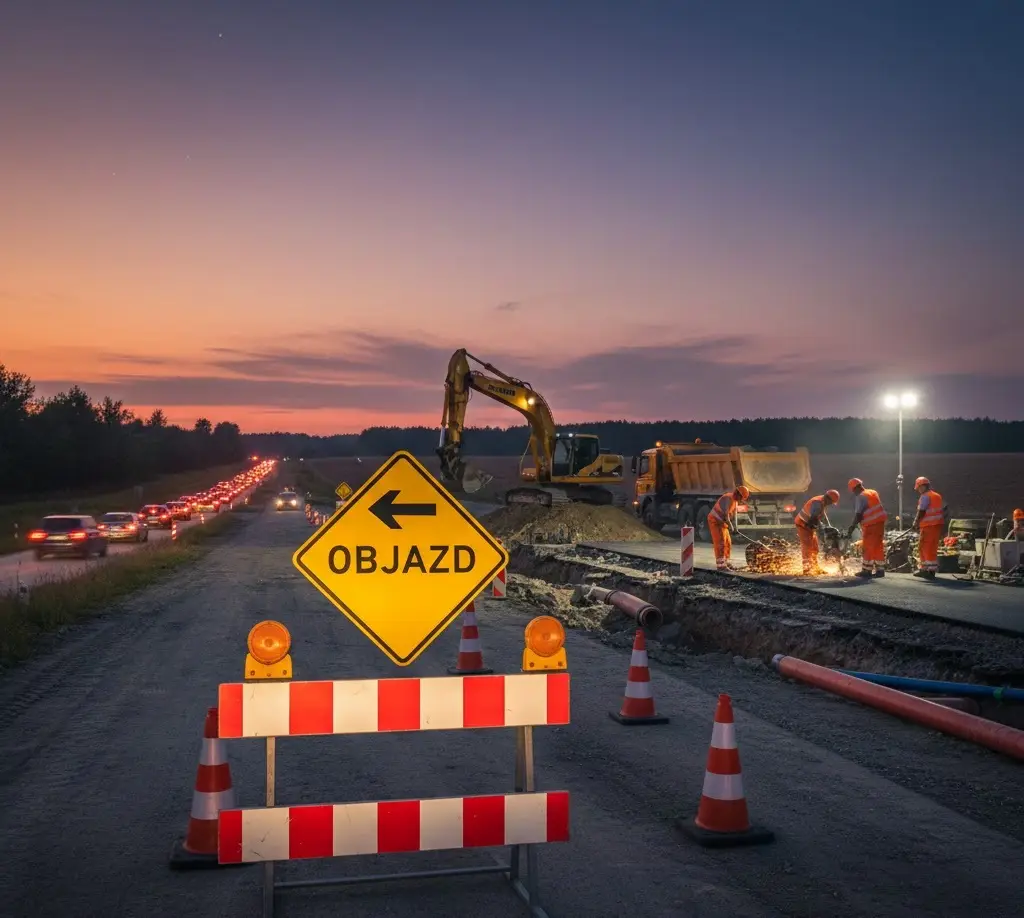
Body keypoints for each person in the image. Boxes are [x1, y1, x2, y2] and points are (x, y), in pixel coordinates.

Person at [846, 479, 889, 579]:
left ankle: (866, 570)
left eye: (853, 490)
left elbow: (858, 514)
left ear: (854, 488)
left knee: (868, 546)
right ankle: (880, 570)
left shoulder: (860, 497)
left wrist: (852, 527)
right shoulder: (873, 492)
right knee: (878, 546)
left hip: (871, 525)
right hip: (880, 522)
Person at [795, 489, 840, 575]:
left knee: (815, 548)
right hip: (803, 525)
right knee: (807, 547)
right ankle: (807, 570)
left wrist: (828, 526)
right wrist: (820, 528)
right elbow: (813, 518)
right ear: (828, 499)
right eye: (831, 502)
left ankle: (815, 568)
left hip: (809, 526)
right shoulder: (817, 503)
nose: (830, 504)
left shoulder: (822, 501)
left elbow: (822, 515)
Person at [911, 477, 948, 579]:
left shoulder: (925, 496)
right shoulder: (937, 496)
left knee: (923, 547)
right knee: (932, 548)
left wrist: (915, 522)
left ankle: (925, 569)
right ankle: (931, 570)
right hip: (937, 525)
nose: (918, 490)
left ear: (923, 486)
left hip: (928, 526)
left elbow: (921, 511)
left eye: (918, 488)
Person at [708, 485, 750, 570]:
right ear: (738, 494)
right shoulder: (727, 498)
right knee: (721, 543)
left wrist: (735, 527)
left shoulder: (735, 501)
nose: (740, 500)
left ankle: (726, 562)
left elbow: (734, 516)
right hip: (715, 521)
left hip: (722, 523)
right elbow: (726, 515)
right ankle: (721, 565)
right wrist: (731, 526)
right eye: (741, 498)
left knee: (727, 542)